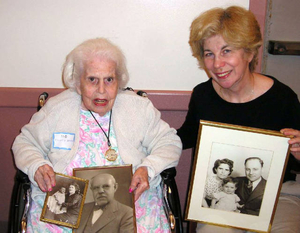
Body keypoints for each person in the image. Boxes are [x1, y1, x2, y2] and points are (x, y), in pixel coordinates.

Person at [12, 38, 182, 232]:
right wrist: (37, 165)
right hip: (66, 209)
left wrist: (148, 169)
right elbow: (25, 142)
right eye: (92, 79)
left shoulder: (138, 108)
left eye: (109, 80)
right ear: (78, 83)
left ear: (118, 81)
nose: (101, 90)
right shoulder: (57, 109)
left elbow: (170, 142)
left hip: (130, 205)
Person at [177, 5, 300, 233]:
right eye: (209, 54)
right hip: (225, 192)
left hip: (279, 194)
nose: (217, 64)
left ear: (250, 53)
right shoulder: (203, 95)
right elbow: (187, 136)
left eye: (227, 51)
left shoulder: (282, 98)